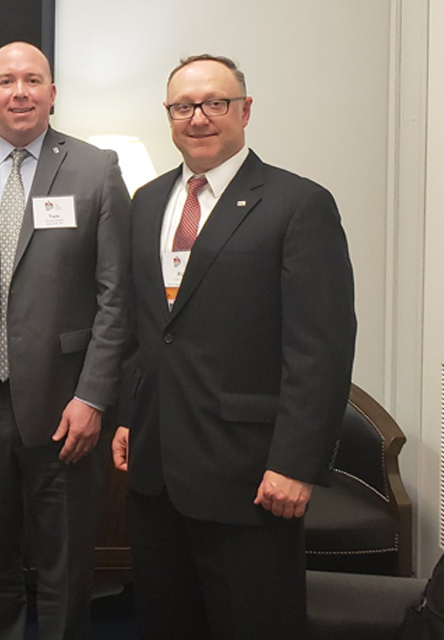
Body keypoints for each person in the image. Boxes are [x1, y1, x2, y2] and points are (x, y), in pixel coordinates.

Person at [112, 54, 356, 639]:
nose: (198, 117)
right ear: (168, 116)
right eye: (182, 106)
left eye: (214, 103)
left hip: (251, 478)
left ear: (245, 110)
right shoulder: (146, 201)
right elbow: (142, 327)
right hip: (157, 471)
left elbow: (319, 348)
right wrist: (128, 414)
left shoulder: (299, 204)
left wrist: (295, 464)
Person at [0, 42, 131, 639]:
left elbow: (116, 296)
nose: (21, 91)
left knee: (66, 565)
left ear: (52, 93)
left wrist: (93, 397)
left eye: (33, 80)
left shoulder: (97, 169)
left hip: (68, 409)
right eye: (7, 81)